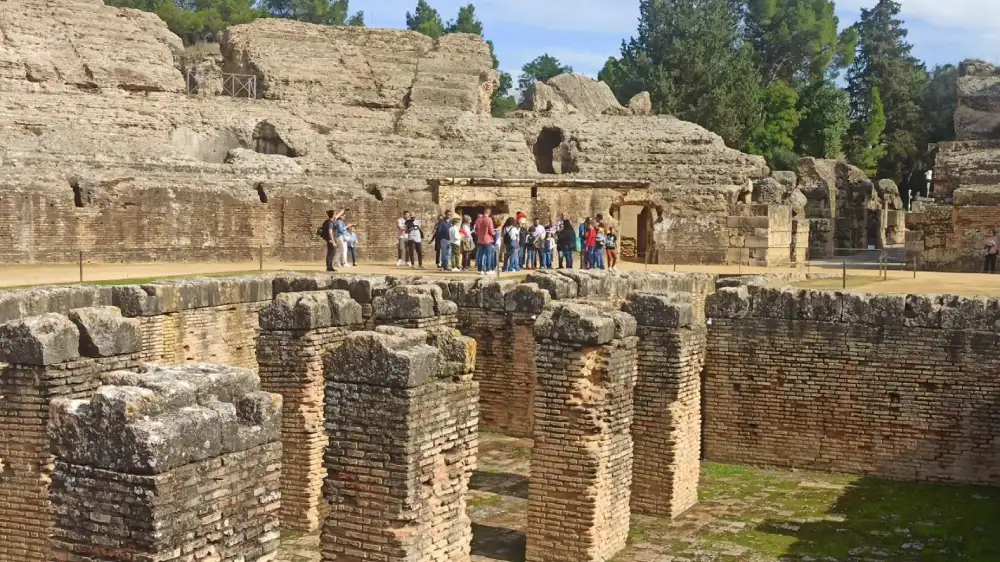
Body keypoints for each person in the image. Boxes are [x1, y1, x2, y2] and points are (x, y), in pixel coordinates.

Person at [474, 209, 495, 275]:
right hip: (488, 239)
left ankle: (480, 270)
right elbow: (491, 231)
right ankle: (488, 269)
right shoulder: (489, 219)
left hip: (480, 239)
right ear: (489, 213)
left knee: (480, 255)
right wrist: (494, 233)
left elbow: (476, 230)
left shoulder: (478, 219)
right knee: (488, 255)